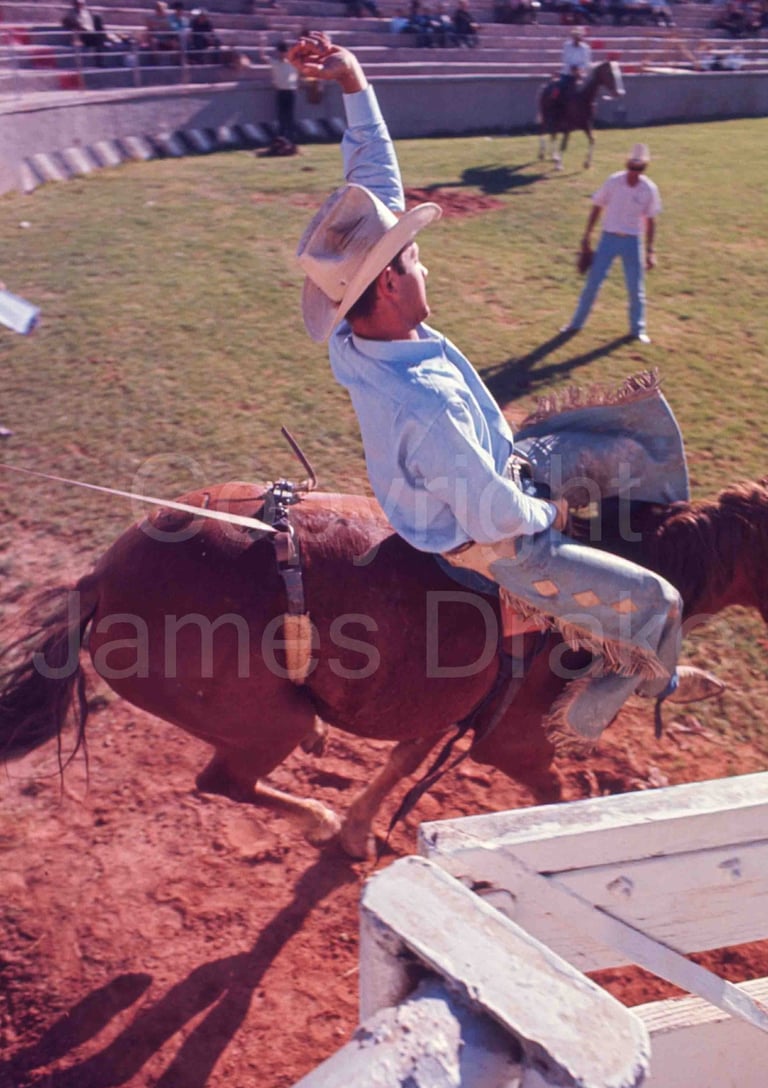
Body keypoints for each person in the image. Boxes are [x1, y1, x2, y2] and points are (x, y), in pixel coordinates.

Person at [289, 35, 719, 754]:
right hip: (491, 539)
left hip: (476, 466)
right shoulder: (425, 403)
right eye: (415, 259)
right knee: (662, 604)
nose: (425, 266)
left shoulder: (359, 333)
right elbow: (497, 516)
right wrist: (546, 508)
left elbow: (375, 181)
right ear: (390, 283)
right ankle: (627, 686)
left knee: (623, 444)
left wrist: (355, 82)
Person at [561, 142, 660, 343]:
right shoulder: (613, 182)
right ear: (626, 165)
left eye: (638, 168)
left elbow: (651, 220)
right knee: (592, 283)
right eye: (632, 167)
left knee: (636, 288)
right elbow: (597, 206)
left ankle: (637, 330)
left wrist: (650, 250)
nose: (634, 172)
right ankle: (575, 324)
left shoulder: (649, 189)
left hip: (633, 241)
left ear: (644, 169)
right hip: (609, 238)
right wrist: (587, 236)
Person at [260, 36, 300, 145]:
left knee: (290, 116)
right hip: (281, 91)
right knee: (281, 116)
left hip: (291, 91)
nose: (283, 54)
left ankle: (291, 138)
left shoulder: (293, 63)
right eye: (281, 52)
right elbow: (263, 56)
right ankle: (282, 138)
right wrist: (262, 44)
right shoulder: (275, 63)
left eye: (284, 52)